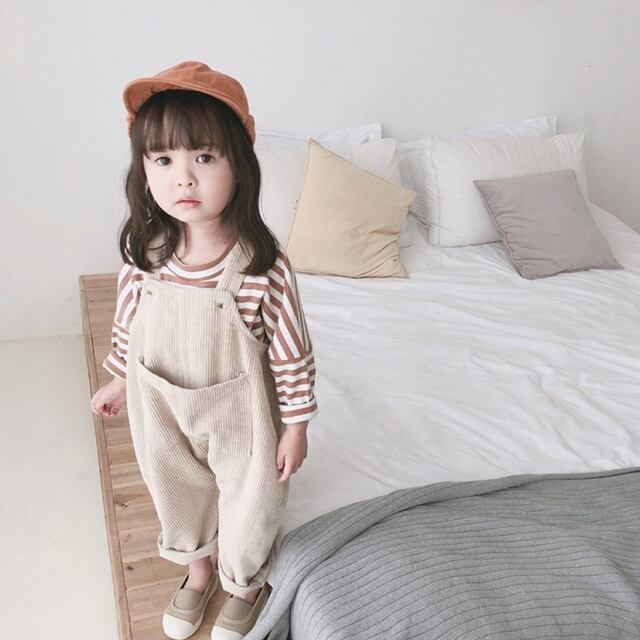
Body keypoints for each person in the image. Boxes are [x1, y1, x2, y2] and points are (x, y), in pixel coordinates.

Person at [89, 61, 319, 640]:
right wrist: (119, 378)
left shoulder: (262, 267)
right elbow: (128, 324)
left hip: (241, 413)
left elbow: (291, 352)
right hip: (161, 404)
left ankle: (243, 584)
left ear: (239, 166)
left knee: (251, 500)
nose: (184, 179)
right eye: (164, 160)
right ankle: (197, 571)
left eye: (205, 158)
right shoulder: (144, 255)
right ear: (144, 171)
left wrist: (295, 426)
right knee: (177, 492)